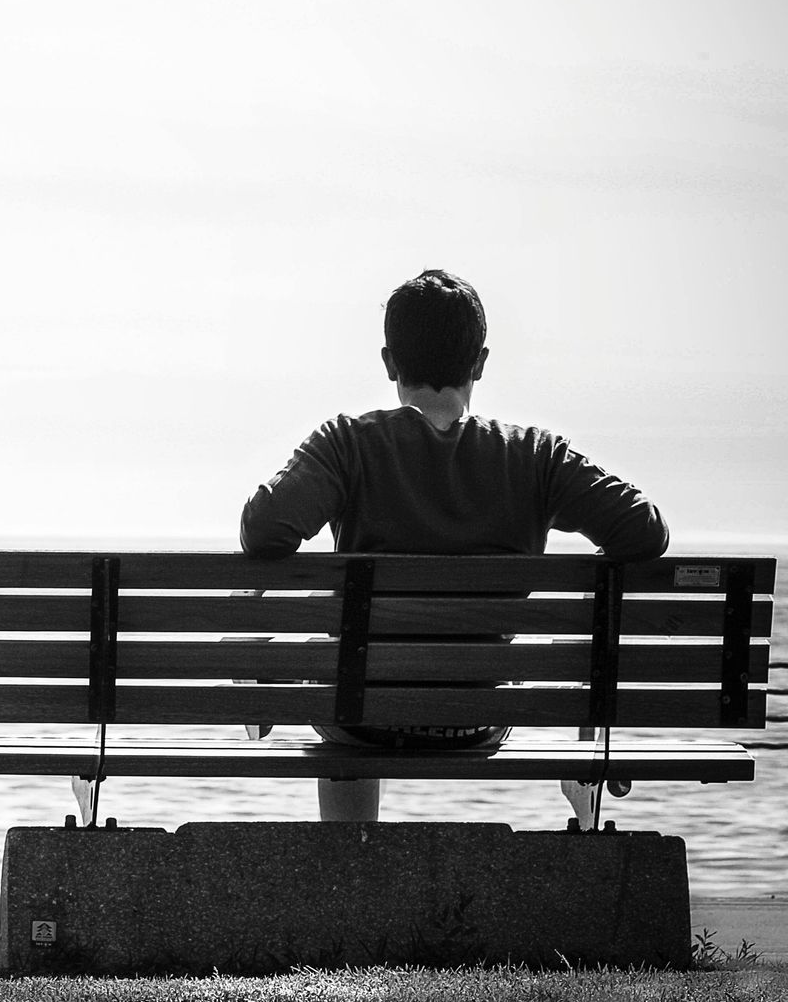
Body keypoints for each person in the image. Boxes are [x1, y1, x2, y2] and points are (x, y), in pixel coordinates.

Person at [239, 269, 668, 824]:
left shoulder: (347, 444)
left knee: (325, 670)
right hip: (479, 716)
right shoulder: (536, 456)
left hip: (359, 716)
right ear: (480, 363)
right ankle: (582, 774)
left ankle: (350, 853)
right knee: (572, 653)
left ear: (390, 361)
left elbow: (263, 530)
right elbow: (643, 532)